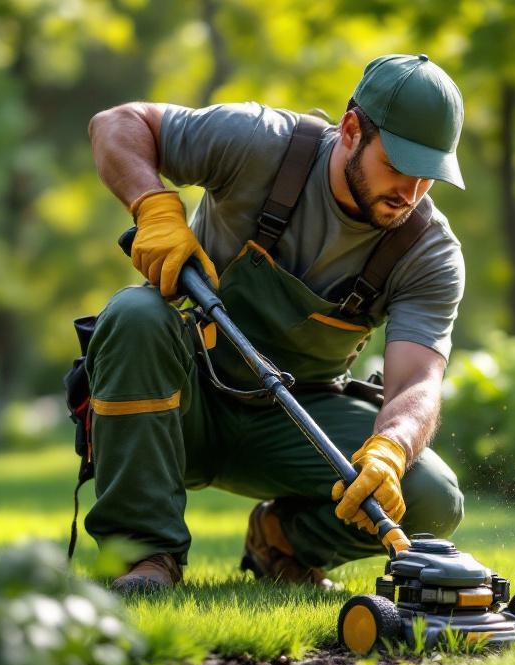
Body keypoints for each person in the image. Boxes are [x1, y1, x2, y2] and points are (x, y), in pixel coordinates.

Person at [86, 54, 466, 592]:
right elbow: (117, 123)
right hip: (182, 399)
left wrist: (392, 448)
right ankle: (143, 559)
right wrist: (152, 205)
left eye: (429, 175)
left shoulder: (427, 250)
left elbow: (416, 382)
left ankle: (283, 541)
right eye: (400, 165)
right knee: (135, 312)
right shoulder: (259, 142)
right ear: (352, 130)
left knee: (431, 499)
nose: (411, 191)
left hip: (296, 423)